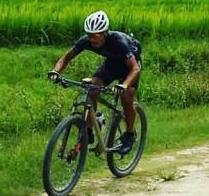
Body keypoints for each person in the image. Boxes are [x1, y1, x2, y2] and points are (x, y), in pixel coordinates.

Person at [48, 10, 141, 154]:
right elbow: (66, 58)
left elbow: (135, 68)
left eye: (95, 35)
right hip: (111, 63)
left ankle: (130, 134)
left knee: (126, 96)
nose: (91, 39)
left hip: (129, 67)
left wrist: (124, 84)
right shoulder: (86, 41)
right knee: (93, 89)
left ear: (104, 33)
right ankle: (89, 131)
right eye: (89, 35)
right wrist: (56, 71)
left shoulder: (119, 42)